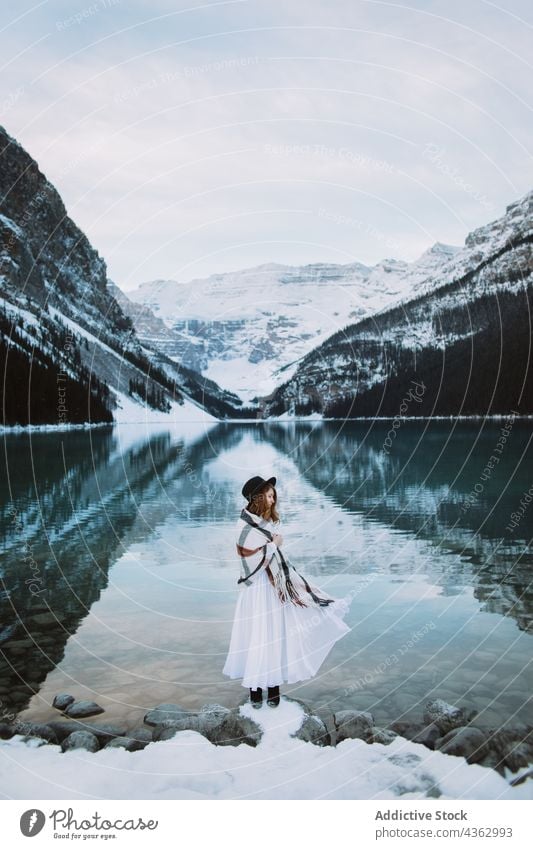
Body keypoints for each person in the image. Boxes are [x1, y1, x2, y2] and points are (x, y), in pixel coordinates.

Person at [222, 475, 353, 709]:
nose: (273, 501)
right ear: (258, 498)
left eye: (274, 496)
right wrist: (274, 544)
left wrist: (273, 543)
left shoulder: (265, 524)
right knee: (258, 635)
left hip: (273, 589)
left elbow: (271, 555)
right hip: (257, 590)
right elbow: (247, 557)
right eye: (270, 496)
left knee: (275, 634)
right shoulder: (244, 525)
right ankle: (255, 692)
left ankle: (273, 691)